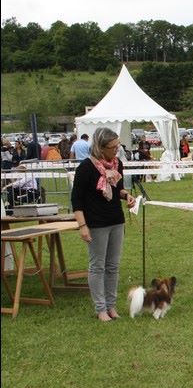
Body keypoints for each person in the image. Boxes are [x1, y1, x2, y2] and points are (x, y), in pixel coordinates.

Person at [71, 127, 137, 322]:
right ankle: (100, 308)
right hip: (96, 224)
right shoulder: (86, 168)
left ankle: (111, 306)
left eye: (117, 146)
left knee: (113, 266)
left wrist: (126, 196)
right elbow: (77, 200)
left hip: (116, 220)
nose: (116, 150)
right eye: (112, 147)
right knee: (97, 266)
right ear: (100, 147)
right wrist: (83, 226)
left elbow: (118, 190)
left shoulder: (117, 164)